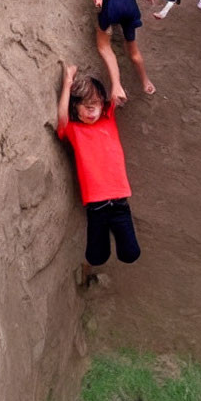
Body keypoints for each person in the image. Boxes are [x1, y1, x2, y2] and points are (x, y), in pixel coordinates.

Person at [57, 62, 141, 281]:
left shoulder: (108, 119)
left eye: (95, 105)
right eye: (86, 107)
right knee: (97, 256)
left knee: (131, 254)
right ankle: (88, 267)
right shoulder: (74, 130)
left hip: (120, 202)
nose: (92, 111)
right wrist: (67, 83)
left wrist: (116, 84)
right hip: (96, 207)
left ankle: (115, 237)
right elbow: (62, 118)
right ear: (75, 108)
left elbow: (116, 93)